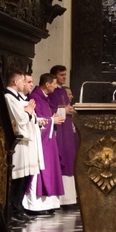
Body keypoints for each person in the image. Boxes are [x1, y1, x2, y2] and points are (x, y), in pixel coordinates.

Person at [3, 69, 43, 224]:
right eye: (23, 80)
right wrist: (28, 112)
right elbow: (20, 119)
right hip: (18, 143)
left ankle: (18, 208)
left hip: (25, 141)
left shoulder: (19, 98)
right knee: (17, 178)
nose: (26, 84)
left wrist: (29, 112)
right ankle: (13, 210)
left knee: (24, 178)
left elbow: (27, 116)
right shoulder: (9, 97)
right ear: (15, 82)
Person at [24, 73, 65, 215]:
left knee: (49, 169)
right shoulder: (35, 97)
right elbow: (35, 119)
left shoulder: (43, 98)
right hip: (40, 141)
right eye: (54, 83)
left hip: (47, 140)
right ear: (47, 84)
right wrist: (52, 121)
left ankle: (48, 204)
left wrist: (51, 119)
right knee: (40, 170)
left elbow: (42, 117)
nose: (55, 86)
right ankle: (36, 206)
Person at [48, 65, 78, 207]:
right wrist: (63, 110)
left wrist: (69, 110)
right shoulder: (52, 92)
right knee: (62, 161)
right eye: (61, 75)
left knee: (69, 160)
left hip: (66, 131)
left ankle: (70, 199)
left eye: (65, 75)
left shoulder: (63, 92)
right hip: (58, 131)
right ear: (54, 76)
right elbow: (50, 109)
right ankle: (62, 200)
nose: (64, 77)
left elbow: (65, 108)